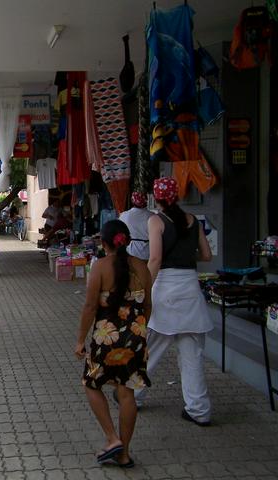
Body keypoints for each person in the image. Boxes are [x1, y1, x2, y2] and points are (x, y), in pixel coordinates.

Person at [135, 177, 214, 426]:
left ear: (156, 198)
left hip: (165, 293)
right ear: (177, 196)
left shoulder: (155, 220)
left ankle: (133, 396)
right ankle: (199, 410)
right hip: (190, 291)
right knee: (192, 357)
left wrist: (143, 289)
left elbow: (155, 259)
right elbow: (207, 254)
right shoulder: (193, 221)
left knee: (150, 351)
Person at [75, 220, 152, 469]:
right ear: (127, 240)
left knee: (91, 383)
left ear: (104, 243)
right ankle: (124, 453)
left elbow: (90, 307)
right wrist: (138, 330)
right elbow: (148, 306)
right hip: (136, 338)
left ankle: (112, 437)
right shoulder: (142, 267)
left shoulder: (100, 267)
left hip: (105, 338)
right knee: (126, 391)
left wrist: (80, 340)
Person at [119, 192, 153, 261]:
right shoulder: (152, 216)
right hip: (148, 252)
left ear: (132, 201)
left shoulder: (124, 215)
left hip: (131, 251)